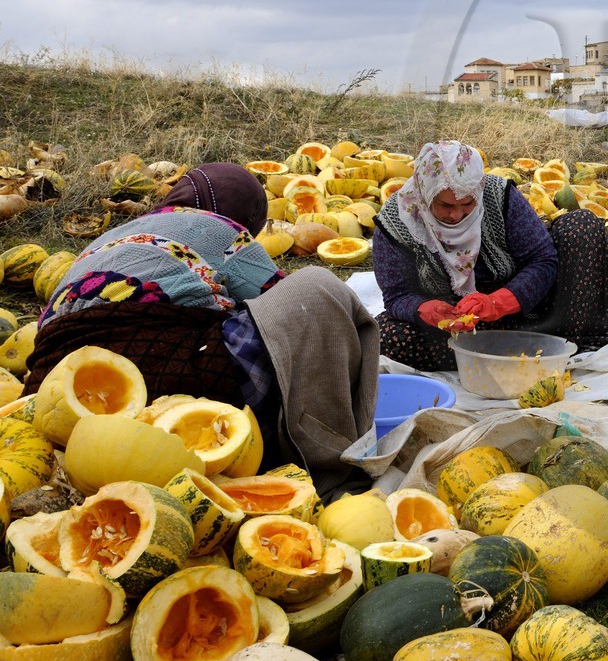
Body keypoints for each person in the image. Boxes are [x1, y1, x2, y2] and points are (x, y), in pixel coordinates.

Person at [27, 162, 379, 496]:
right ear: (247, 214)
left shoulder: (108, 238)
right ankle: (322, 459)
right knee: (317, 289)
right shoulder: (220, 229)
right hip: (166, 376)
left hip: (57, 392)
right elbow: (281, 304)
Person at [372, 141, 608, 369]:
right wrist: (426, 309)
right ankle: (493, 356)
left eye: (467, 204)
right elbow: (397, 295)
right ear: (424, 193)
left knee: (582, 225)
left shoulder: (499, 196)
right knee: (383, 335)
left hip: (532, 316)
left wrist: (499, 302)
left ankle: (578, 342)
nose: (456, 215)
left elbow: (542, 261)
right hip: (457, 333)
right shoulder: (396, 221)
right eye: (445, 206)